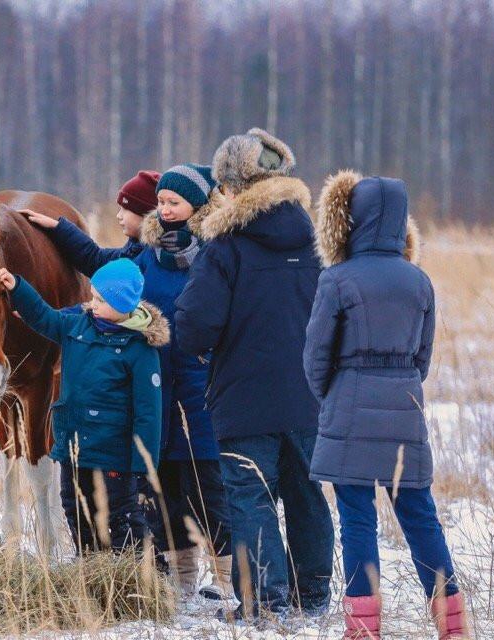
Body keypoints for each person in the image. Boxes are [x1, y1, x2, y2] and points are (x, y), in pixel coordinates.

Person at [21, 164, 233, 600]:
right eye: (161, 202)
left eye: (173, 202)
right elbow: (102, 267)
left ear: (198, 206)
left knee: (210, 494)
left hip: (200, 395)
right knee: (164, 496)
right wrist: (60, 228)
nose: (165, 209)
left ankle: (237, 585)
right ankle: (182, 583)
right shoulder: (145, 254)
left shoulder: (218, 255)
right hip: (155, 391)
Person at [175, 129, 334, 623]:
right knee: (307, 495)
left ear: (232, 184)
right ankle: (312, 596)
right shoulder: (316, 238)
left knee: (250, 496)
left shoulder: (225, 247)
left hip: (243, 400)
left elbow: (195, 326)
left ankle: (267, 602)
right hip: (309, 396)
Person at [305, 170, 469, 640]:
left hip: (350, 404)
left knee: (357, 519)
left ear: (351, 220)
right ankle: (452, 626)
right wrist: (401, 385)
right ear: (401, 220)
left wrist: (333, 395)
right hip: (404, 406)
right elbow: (423, 356)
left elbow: (315, 355)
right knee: (420, 516)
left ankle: (362, 629)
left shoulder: (336, 278)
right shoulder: (419, 281)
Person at [0, 259, 168, 556]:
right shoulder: (77, 325)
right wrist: (19, 289)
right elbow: (44, 317)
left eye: (101, 300)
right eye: (93, 296)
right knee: (74, 505)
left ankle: (138, 571)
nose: (93, 304)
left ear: (124, 305)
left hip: (113, 453)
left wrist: (144, 466)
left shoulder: (140, 350)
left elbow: (149, 414)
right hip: (74, 443)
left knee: (120, 513)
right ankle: (89, 564)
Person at [20, 170, 160, 265]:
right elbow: (95, 258)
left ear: (146, 215)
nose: (118, 216)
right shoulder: (133, 250)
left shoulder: (151, 260)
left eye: (126, 209)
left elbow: (96, 260)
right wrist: (58, 227)